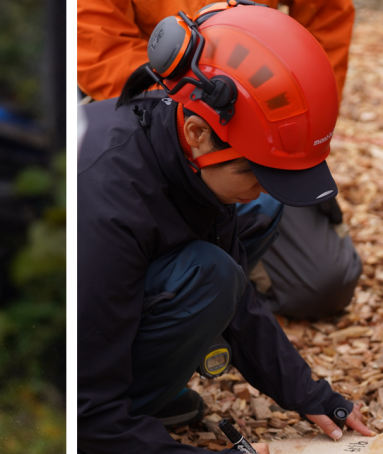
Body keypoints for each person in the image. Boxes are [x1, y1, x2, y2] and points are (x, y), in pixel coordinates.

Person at [78, 1, 373, 454]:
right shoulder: (109, 205)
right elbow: (87, 402)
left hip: (99, 309)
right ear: (198, 134)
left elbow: (241, 300)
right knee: (206, 275)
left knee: (230, 255)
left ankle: (143, 394)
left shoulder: (184, 143)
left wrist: (309, 394)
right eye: (254, 173)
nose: (261, 189)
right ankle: (85, 453)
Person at [78, 0, 362, 322]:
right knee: (194, 269)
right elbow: (100, 47)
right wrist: (193, 104)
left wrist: (301, 137)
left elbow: (327, 12)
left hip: (260, 131)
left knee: (323, 283)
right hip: (164, 118)